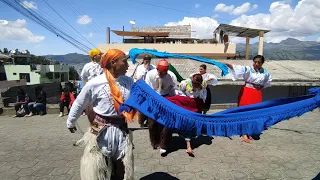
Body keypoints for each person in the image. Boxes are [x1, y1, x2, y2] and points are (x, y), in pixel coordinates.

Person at [67, 49, 134, 180]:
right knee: (99, 167)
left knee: (121, 167)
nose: (128, 65)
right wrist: (71, 121)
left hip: (121, 127)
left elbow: (140, 98)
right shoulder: (95, 83)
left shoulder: (129, 82)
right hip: (99, 127)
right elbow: (79, 103)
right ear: (114, 63)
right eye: (125, 61)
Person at [224, 55, 272, 143]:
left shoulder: (265, 72)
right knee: (245, 112)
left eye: (259, 62)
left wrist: (261, 87)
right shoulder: (248, 69)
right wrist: (227, 64)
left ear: (262, 63)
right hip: (247, 92)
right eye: (255, 62)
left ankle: (250, 131)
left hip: (257, 93)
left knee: (254, 113)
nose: (256, 64)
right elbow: (237, 68)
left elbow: (268, 81)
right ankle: (244, 133)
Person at [144, 59, 177, 155]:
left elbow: (173, 89)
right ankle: (154, 142)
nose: (161, 75)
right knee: (152, 123)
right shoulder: (150, 74)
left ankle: (164, 145)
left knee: (166, 123)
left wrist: (174, 101)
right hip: (153, 98)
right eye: (160, 72)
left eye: (164, 73)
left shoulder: (171, 76)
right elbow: (147, 88)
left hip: (166, 98)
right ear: (157, 69)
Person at [172, 74, 207, 155]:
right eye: (194, 84)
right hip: (186, 104)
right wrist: (186, 100)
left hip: (196, 105)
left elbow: (204, 94)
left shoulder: (204, 84)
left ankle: (189, 139)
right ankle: (188, 145)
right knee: (187, 124)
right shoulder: (185, 83)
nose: (195, 86)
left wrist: (201, 103)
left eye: (197, 85)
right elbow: (179, 91)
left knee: (195, 123)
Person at [81, 48, 104, 122]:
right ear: (94, 56)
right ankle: (93, 124)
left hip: (102, 88)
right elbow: (83, 76)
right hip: (91, 89)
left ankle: (101, 122)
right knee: (90, 108)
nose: (101, 55)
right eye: (99, 54)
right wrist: (86, 85)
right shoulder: (87, 66)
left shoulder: (103, 65)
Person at [134, 54, 155, 127]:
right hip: (142, 89)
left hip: (150, 89)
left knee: (150, 106)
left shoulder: (153, 67)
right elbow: (138, 78)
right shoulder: (140, 67)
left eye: (148, 59)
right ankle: (141, 122)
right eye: (145, 59)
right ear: (143, 60)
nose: (147, 61)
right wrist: (145, 69)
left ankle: (149, 121)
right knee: (141, 106)